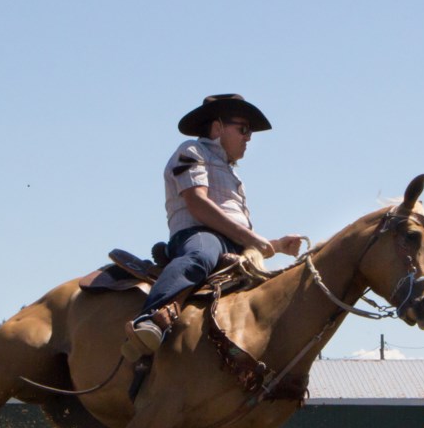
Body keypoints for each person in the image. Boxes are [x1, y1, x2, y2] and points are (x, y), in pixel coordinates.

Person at [123, 94, 303, 360]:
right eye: (243, 129)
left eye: (250, 131)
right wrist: (253, 238)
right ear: (217, 128)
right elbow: (197, 204)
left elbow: (239, 231)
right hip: (199, 234)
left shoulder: (232, 172)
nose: (249, 137)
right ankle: (150, 320)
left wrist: (275, 245)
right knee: (201, 255)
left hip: (234, 243)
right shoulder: (191, 151)